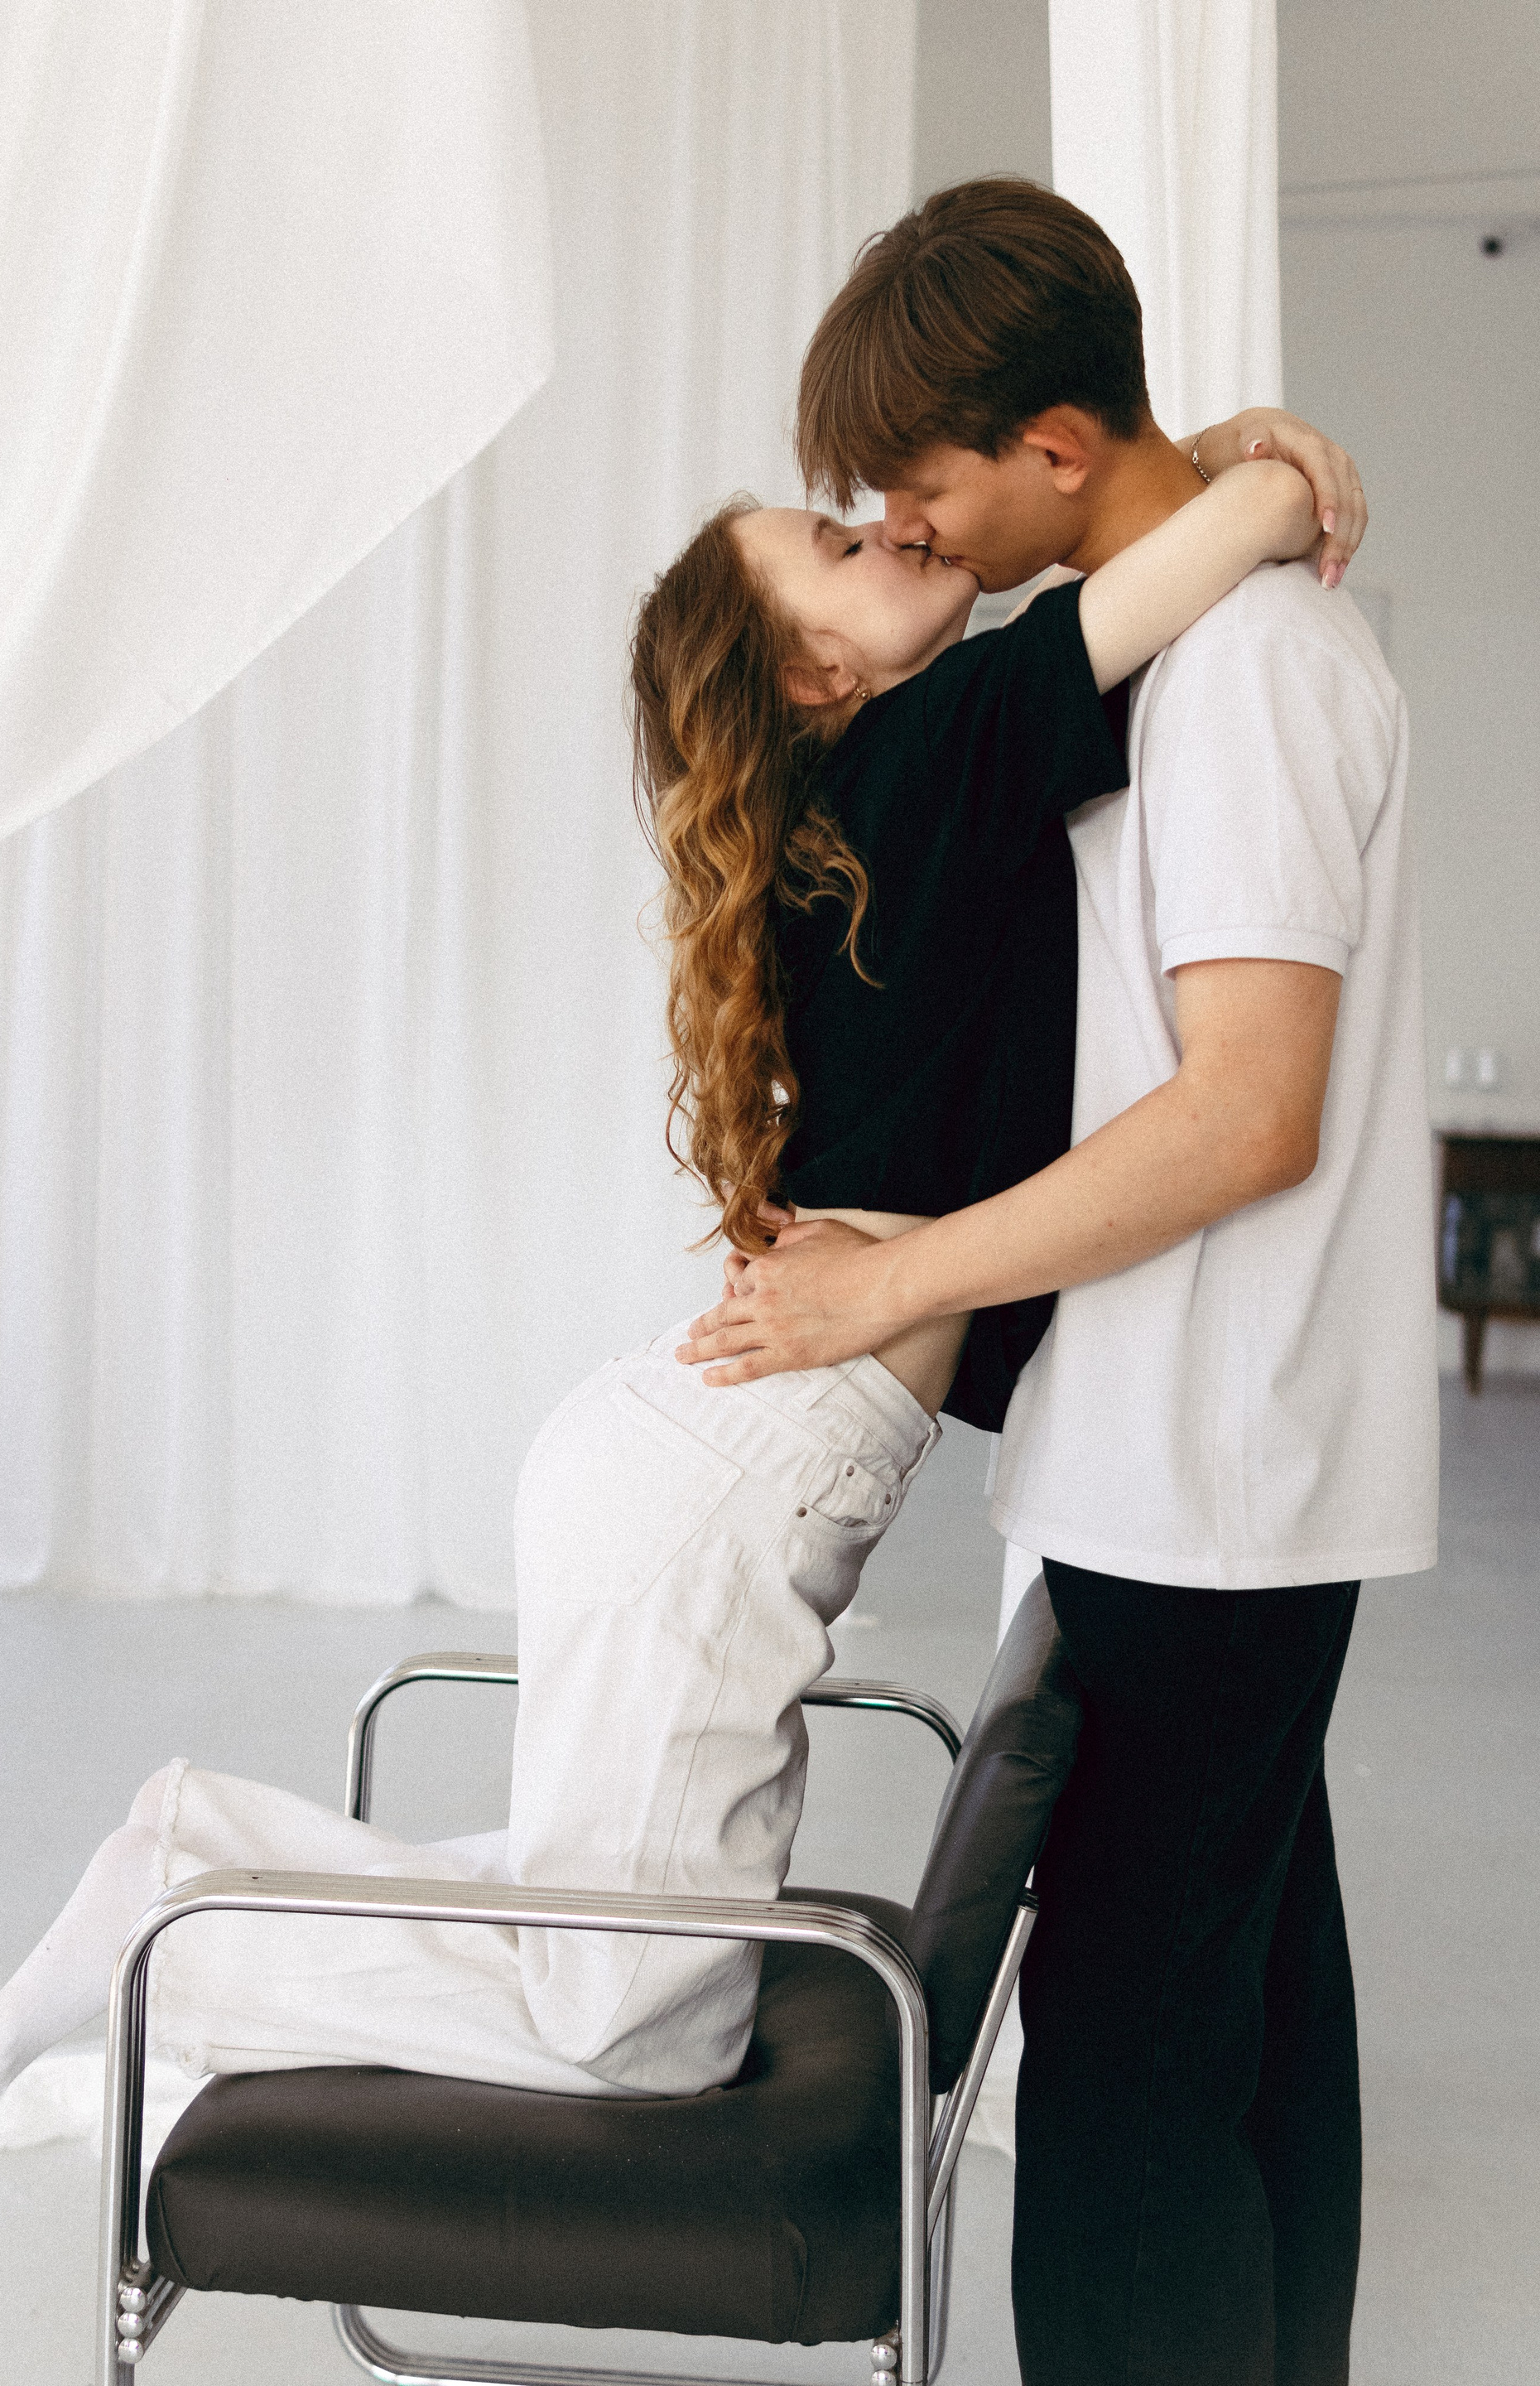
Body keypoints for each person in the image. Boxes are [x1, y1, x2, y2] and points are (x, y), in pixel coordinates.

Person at [0, 428, 1335, 2121]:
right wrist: (1265, 465)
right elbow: (1242, 523)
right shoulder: (941, 743)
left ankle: (199, 1860)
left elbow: (1147, 538)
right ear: (814, 668)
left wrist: (1209, 459)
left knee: (608, 1945)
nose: (893, 528)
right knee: (640, 2027)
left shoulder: (878, 804)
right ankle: (170, 1934)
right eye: (841, 543)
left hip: (696, 1469)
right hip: (723, 1493)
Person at [678, 179, 1437, 2386]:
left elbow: (1247, 1115)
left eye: (913, 482)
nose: (904, 523)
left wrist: (875, 1292)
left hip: (1213, 1460)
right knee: (1244, 2026)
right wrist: (1265, 458)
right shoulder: (1154, 663)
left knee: (1126, 2099)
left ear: (1056, 445)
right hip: (1179, 1451)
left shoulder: (1251, 673)